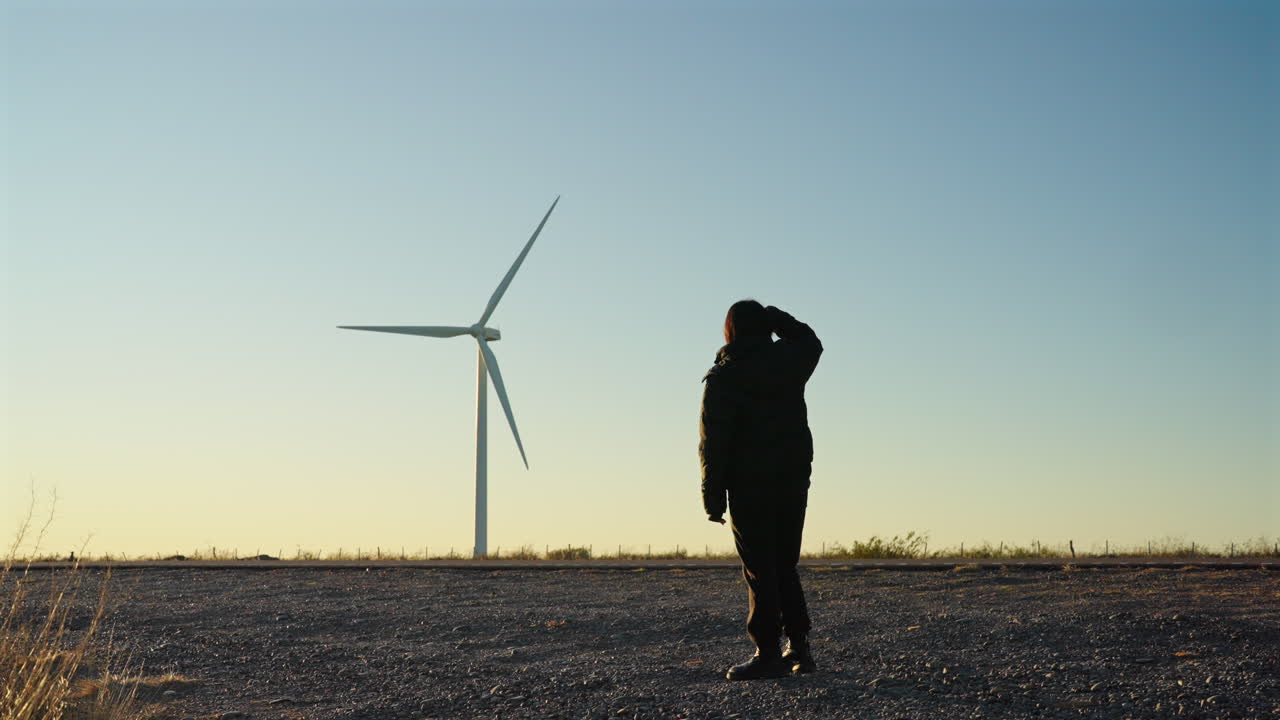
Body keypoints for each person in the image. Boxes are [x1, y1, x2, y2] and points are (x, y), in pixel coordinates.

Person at [699, 300, 823, 680]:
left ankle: (767, 652)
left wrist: (712, 496)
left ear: (730, 330)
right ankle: (800, 649)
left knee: (760, 569)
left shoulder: (724, 376)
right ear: (764, 327)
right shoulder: (788, 363)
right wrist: (776, 316)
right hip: (791, 478)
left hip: (749, 483)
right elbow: (811, 342)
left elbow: (713, 442)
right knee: (785, 564)